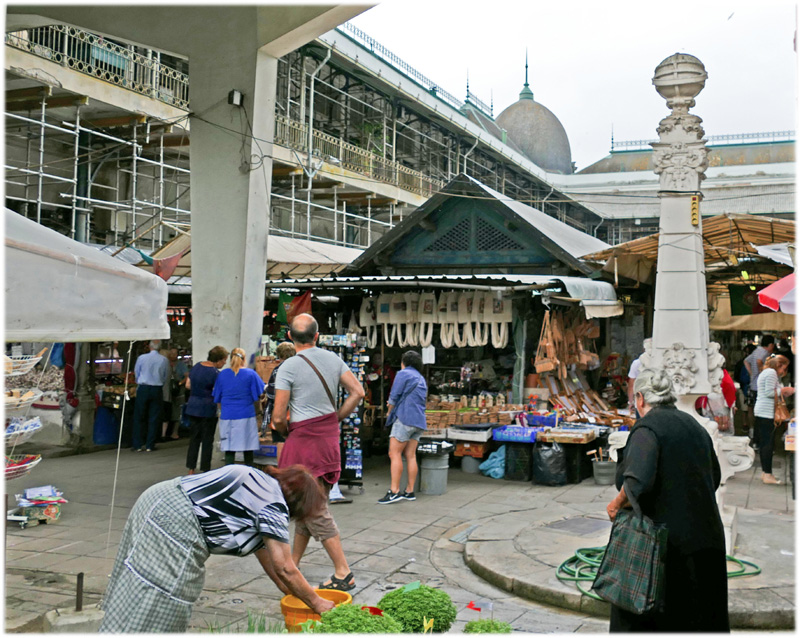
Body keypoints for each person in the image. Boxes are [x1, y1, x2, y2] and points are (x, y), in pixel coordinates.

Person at [99, 463, 336, 633]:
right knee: (166, 594)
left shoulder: (260, 488)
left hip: (157, 502)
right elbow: (285, 568)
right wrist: (318, 604)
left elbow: (278, 573)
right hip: (173, 519)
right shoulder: (272, 502)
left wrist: (300, 594)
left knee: (136, 583)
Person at [605, 368, 729, 632]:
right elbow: (714, 477)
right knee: (700, 620)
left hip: (665, 550)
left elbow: (637, 482)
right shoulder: (695, 425)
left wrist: (616, 503)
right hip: (706, 541)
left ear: (640, 399)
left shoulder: (647, 428)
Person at [272, 313, 365, 592]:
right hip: (328, 440)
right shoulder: (334, 360)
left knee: (314, 509)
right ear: (317, 336)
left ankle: (343, 571)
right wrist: (336, 417)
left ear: (290, 336)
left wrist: (288, 433)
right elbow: (358, 392)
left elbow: (278, 416)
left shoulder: (288, 367)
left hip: (303, 443)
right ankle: (293, 565)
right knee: (308, 505)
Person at [378, 350, 428, 504]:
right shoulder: (421, 378)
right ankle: (409, 491)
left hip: (405, 418)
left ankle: (394, 491)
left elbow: (394, 396)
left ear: (404, 362)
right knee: (411, 455)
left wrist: (389, 410)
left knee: (394, 453)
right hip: (419, 420)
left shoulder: (403, 374)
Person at [213, 348, 265, 467]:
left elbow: (217, 397)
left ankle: (228, 474)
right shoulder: (251, 374)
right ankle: (248, 474)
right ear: (244, 359)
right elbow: (259, 394)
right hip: (246, 415)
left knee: (229, 449)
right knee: (248, 447)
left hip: (227, 416)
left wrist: (222, 410)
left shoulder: (222, 375)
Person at [185, 345, 229, 474]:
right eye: (224, 360)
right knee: (207, 440)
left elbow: (188, 385)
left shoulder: (197, 366)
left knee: (194, 439)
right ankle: (205, 469)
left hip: (193, 406)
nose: (225, 363)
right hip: (208, 408)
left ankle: (191, 468)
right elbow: (218, 393)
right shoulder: (216, 374)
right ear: (218, 360)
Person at [753, 354, 795, 485]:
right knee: (768, 444)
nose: (784, 371)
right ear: (779, 365)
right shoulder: (771, 373)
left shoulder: (766, 372)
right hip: (767, 412)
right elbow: (769, 392)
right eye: (784, 368)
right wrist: (784, 390)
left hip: (763, 411)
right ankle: (767, 473)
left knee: (766, 442)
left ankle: (766, 472)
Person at [132, 340, 169, 452]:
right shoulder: (164, 360)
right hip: (156, 388)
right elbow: (165, 375)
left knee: (139, 416)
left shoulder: (142, 358)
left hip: (143, 387)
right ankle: (150, 445)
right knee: (154, 417)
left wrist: (139, 381)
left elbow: (136, 372)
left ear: (149, 347)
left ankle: (137, 444)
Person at [263, 342, 297, 462]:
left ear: (279, 355)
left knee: (281, 441)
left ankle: (282, 471)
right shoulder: (300, 370)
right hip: (298, 413)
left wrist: (266, 389)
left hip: (281, 411)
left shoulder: (278, 370)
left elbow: (272, 393)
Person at [162, 347, 189, 441]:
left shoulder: (181, 365)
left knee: (177, 412)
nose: (172, 355)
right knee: (167, 412)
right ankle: (165, 433)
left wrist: (180, 383)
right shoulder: (165, 364)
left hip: (178, 392)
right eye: (171, 353)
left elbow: (187, 376)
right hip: (167, 391)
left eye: (174, 353)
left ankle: (175, 432)